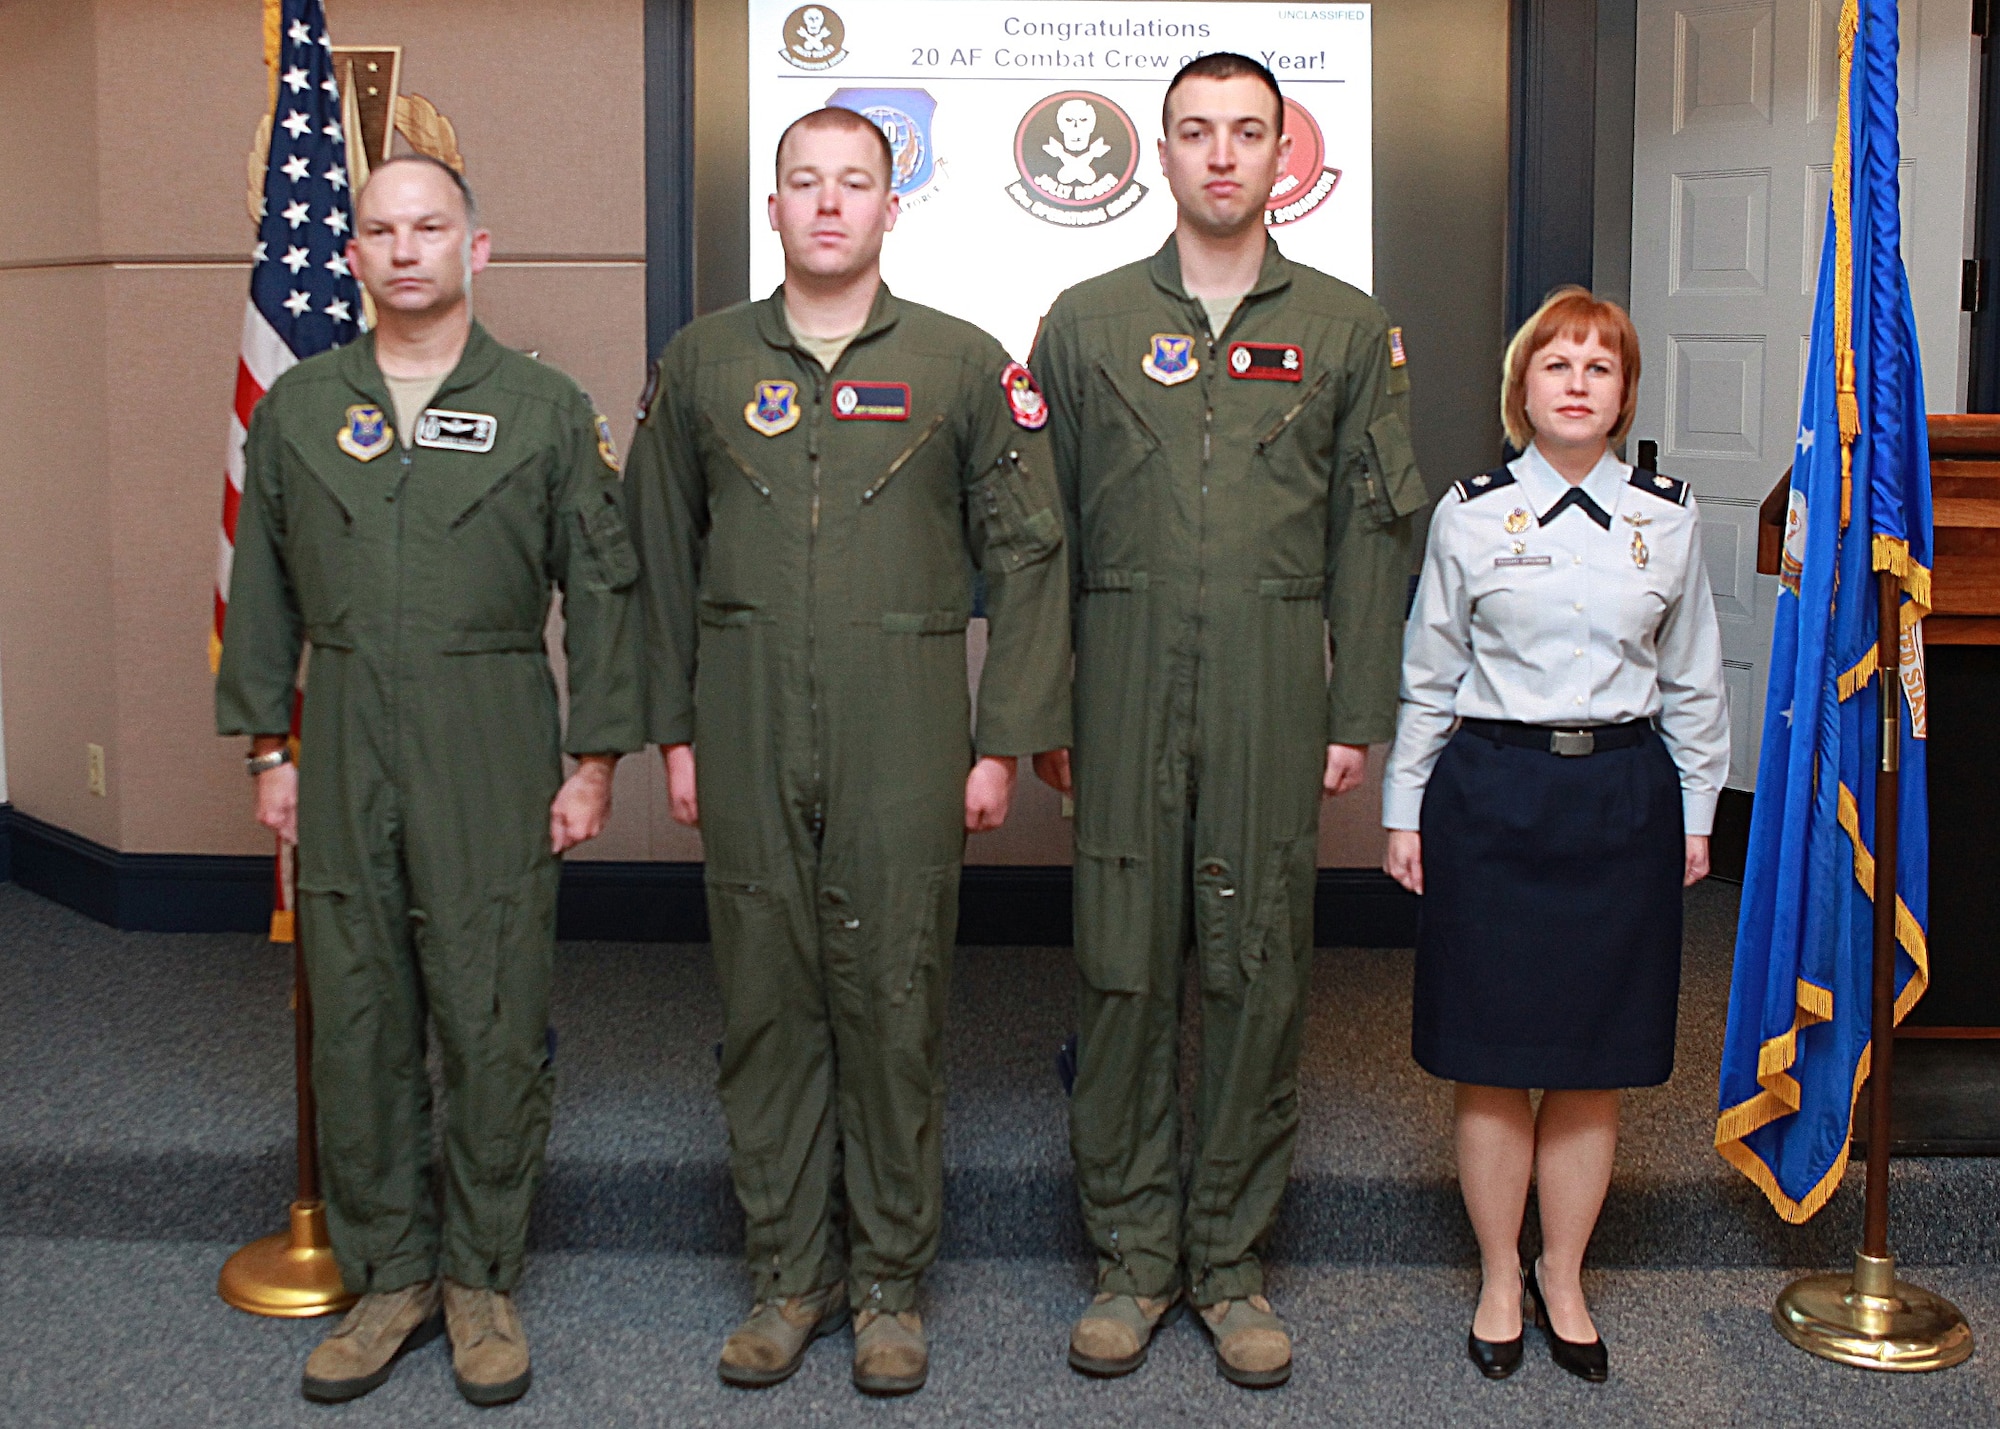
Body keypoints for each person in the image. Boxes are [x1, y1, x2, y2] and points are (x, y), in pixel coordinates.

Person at [625, 108, 1071, 1397]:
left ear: (892, 206)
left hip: (905, 722)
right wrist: (675, 729)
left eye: (854, 183)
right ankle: (785, 1274)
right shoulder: (703, 362)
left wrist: (1000, 741)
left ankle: (887, 1284)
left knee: (892, 1003)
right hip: (746, 713)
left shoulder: (959, 363)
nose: (829, 203)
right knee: (766, 1004)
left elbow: (1032, 550)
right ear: (771, 208)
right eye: (804, 183)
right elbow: (652, 551)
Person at [216, 155, 643, 1407]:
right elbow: (264, 594)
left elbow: (602, 588)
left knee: (490, 1013)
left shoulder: (547, 408)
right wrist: (268, 750)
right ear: (351, 255)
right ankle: (390, 1270)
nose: (406, 249)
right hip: (341, 731)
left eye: (431, 227)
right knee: (357, 1018)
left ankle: (478, 1277)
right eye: (381, 231)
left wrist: (594, 758)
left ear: (478, 248)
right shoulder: (300, 410)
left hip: (491, 731)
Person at [1029, 54, 1425, 1388]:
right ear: (1160, 152)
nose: (1220, 155)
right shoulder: (1082, 320)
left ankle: (1231, 1261)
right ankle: (1133, 1260)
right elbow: (1035, 536)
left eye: (1245, 132)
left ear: (1282, 156)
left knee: (1258, 968)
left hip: (1271, 666)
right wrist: (1041, 698)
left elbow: (1376, 535)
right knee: (1123, 961)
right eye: (1196, 131)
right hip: (1124, 664)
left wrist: (1355, 704)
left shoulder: (1348, 328)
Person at [1380, 287, 1728, 1383]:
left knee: (1592, 1058)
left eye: (1598, 367)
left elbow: (1694, 682)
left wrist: (1694, 810)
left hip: (1618, 796)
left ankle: (1562, 1272)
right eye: (1555, 364)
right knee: (1488, 1056)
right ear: (1519, 387)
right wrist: (1401, 807)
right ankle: (1496, 1272)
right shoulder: (1469, 511)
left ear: (1622, 395)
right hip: (1490, 795)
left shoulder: (1665, 517)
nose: (1575, 382)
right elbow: (1427, 669)